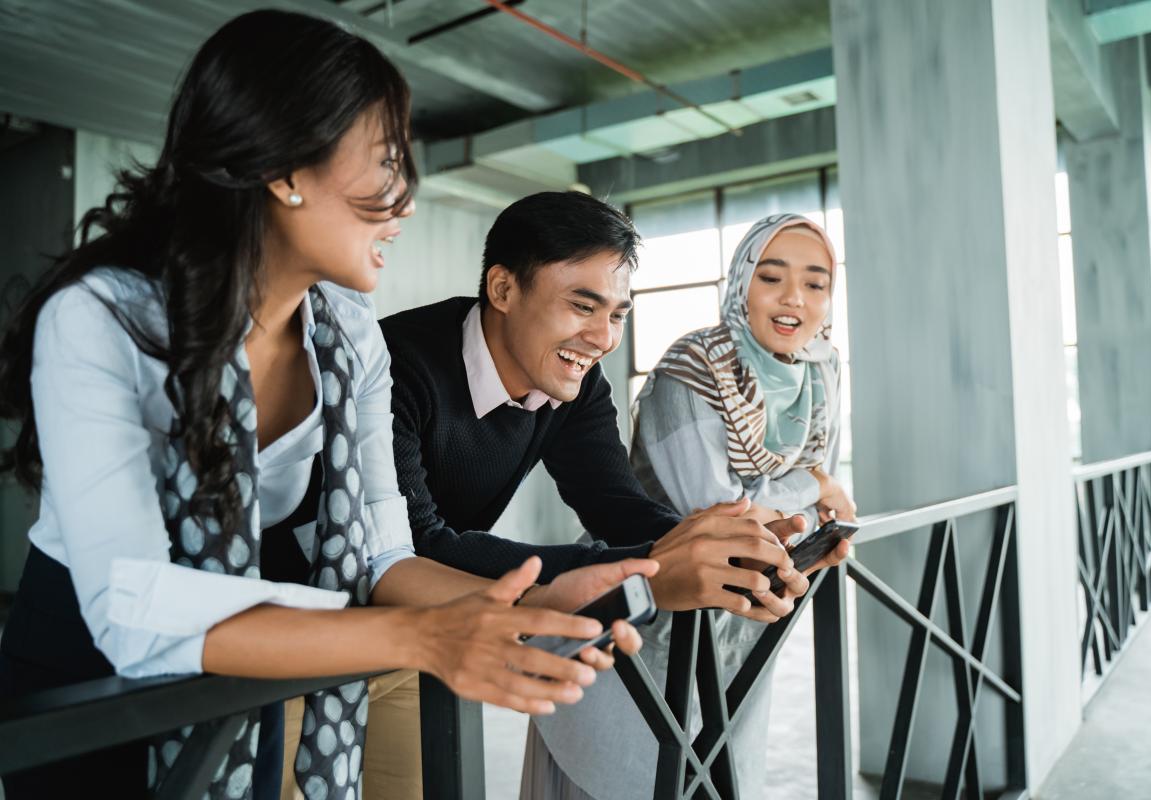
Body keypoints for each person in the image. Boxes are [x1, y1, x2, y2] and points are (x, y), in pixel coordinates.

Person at [0, 12, 651, 799]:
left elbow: (385, 558)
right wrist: (421, 637)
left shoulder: (347, 334)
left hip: (254, 667)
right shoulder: (103, 317)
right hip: (84, 686)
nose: (406, 200)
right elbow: (130, 605)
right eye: (385, 162)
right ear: (285, 170)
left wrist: (533, 606)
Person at [378, 193, 847, 797]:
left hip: (424, 626)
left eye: (619, 314)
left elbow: (617, 507)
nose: (603, 338)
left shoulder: (575, 379)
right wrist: (641, 573)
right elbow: (418, 543)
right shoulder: (397, 366)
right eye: (582, 305)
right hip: (308, 612)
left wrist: (721, 547)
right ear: (501, 289)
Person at [525, 213, 856, 799]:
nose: (793, 300)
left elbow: (800, 506)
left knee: (717, 770)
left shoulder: (822, 370)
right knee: (621, 771)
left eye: (816, 283)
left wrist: (817, 529)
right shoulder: (693, 369)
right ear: (741, 283)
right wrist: (815, 490)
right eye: (771, 278)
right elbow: (717, 517)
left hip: (739, 625)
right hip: (644, 608)